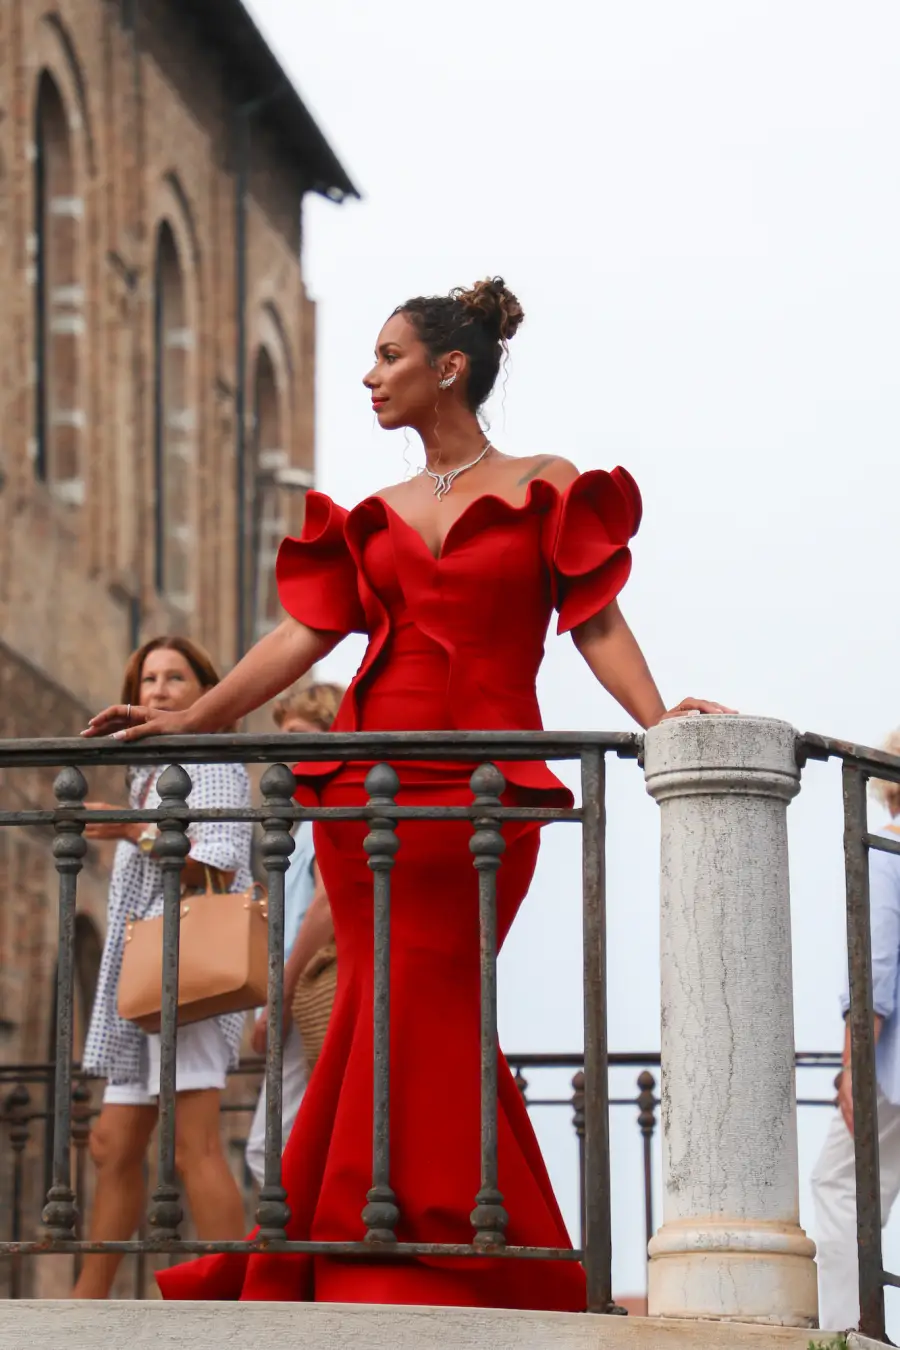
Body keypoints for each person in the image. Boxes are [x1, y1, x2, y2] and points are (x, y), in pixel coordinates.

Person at [83, 276, 732, 1310]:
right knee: (377, 1003)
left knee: (429, 995)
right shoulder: (376, 515)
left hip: (484, 785)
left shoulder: (543, 486)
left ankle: (398, 1244)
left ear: (450, 369)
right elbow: (304, 638)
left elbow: (595, 621)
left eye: (389, 356)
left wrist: (657, 722)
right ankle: (379, 1242)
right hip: (368, 785)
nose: (369, 375)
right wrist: (191, 720)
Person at [73, 636, 253, 1299]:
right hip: (150, 970)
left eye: (176, 677)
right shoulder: (151, 770)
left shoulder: (208, 760)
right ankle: (85, 1305)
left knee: (194, 1145)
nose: (157, 689)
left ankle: (239, 1302)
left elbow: (221, 861)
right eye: (147, 678)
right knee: (113, 1144)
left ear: (206, 692)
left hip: (191, 969)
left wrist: (129, 829)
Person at [811, 727, 900, 1331]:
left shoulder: (888, 852)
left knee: (838, 1183)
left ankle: (849, 1332)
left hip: (892, 1071)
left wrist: (853, 1066)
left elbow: (876, 967)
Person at [244, 682, 343, 1188]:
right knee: (281, 1145)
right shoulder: (303, 823)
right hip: (301, 991)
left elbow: (324, 907)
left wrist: (278, 999)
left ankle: (313, 1252)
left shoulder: (328, 812)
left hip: (311, 991)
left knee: (271, 1151)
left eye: (299, 736)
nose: (286, 752)